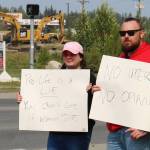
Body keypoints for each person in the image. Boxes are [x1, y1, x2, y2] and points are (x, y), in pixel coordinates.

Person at [17, 41, 96, 150]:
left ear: (81, 57)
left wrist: (92, 94)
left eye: (72, 54)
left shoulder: (90, 78)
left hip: (78, 134)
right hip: (56, 132)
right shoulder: (53, 76)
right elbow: (39, 96)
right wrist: (23, 98)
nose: (68, 57)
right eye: (66, 54)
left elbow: (97, 107)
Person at [92, 17, 150, 150]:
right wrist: (100, 91)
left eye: (131, 33)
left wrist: (147, 126)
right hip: (115, 133)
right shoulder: (121, 58)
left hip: (139, 135)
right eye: (122, 34)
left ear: (141, 33)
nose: (126, 36)